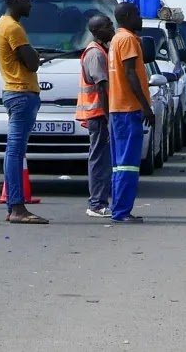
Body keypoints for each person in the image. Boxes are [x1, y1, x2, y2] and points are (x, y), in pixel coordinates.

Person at [0, 0, 48, 225]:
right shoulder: (13, 28)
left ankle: (14, 205)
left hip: (15, 92)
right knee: (15, 152)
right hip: (21, 92)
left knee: (14, 152)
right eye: (27, 0)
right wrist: (34, 55)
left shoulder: (2, 23)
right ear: (15, 2)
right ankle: (17, 207)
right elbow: (32, 63)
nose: (30, 5)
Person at [108, 2, 155, 223]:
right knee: (127, 164)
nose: (140, 18)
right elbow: (130, 74)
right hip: (128, 109)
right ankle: (121, 211)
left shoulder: (117, 38)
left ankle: (118, 208)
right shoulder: (127, 39)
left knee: (120, 165)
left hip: (118, 109)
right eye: (137, 14)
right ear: (127, 16)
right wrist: (145, 106)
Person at [77, 15, 116, 218]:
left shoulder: (102, 50)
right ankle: (97, 204)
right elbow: (101, 87)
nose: (112, 28)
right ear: (97, 31)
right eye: (108, 26)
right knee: (99, 159)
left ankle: (100, 202)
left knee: (102, 158)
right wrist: (109, 118)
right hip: (99, 114)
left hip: (100, 113)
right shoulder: (95, 54)